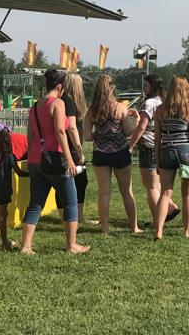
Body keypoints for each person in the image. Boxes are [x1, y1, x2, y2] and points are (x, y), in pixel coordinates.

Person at [20, 69, 90, 255]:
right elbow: (60, 131)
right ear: (59, 87)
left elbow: (30, 134)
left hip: (36, 159)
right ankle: (72, 244)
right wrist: (70, 159)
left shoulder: (35, 106)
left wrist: (30, 156)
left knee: (35, 203)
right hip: (55, 160)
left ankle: (26, 246)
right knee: (71, 201)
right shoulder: (57, 103)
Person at [153, 76, 189, 240]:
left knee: (165, 193)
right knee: (187, 194)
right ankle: (187, 231)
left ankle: (159, 231)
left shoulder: (160, 110)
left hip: (167, 151)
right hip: (186, 152)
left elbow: (157, 138)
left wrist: (157, 160)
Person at [84, 74, 141, 235]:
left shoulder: (92, 110)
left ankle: (105, 228)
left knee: (104, 193)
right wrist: (135, 120)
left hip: (100, 154)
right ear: (112, 88)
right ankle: (133, 227)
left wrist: (101, 136)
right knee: (127, 191)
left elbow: (87, 136)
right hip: (120, 153)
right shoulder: (120, 108)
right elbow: (129, 131)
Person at [128, 74, 181, 228]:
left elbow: (142, 127)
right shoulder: (162, 101)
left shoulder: (149, 103)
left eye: (145, 86)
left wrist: (130, 145)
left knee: (150, 186)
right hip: (161, 146)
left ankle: (157, 220)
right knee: (156, 183)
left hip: (148, 146)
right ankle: (170, 207)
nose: (143, 89)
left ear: (153, 87)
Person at [54, 72, 95, 224]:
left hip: (65, 147)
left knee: (73, 182)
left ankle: (73, 215)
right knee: (76, 181)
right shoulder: (68, 102)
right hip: (70, 148)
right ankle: (75, 216)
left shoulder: (62, 101)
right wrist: (79, 151)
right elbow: (71, 128)